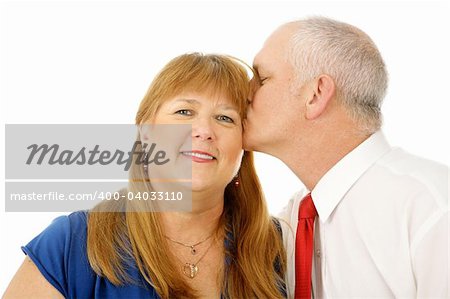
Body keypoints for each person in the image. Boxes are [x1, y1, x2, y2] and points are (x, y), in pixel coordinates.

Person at [4, 53, 287, 299]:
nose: (203, 130)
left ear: (244, 145)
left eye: (225, 118)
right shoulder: (71, 243)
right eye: (184, 111)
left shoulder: (280, 246)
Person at [244, 16, 448, 298]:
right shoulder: (290, 223)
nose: (244, 92)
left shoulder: (432, 208)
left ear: (315, 94)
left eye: (262, 78)